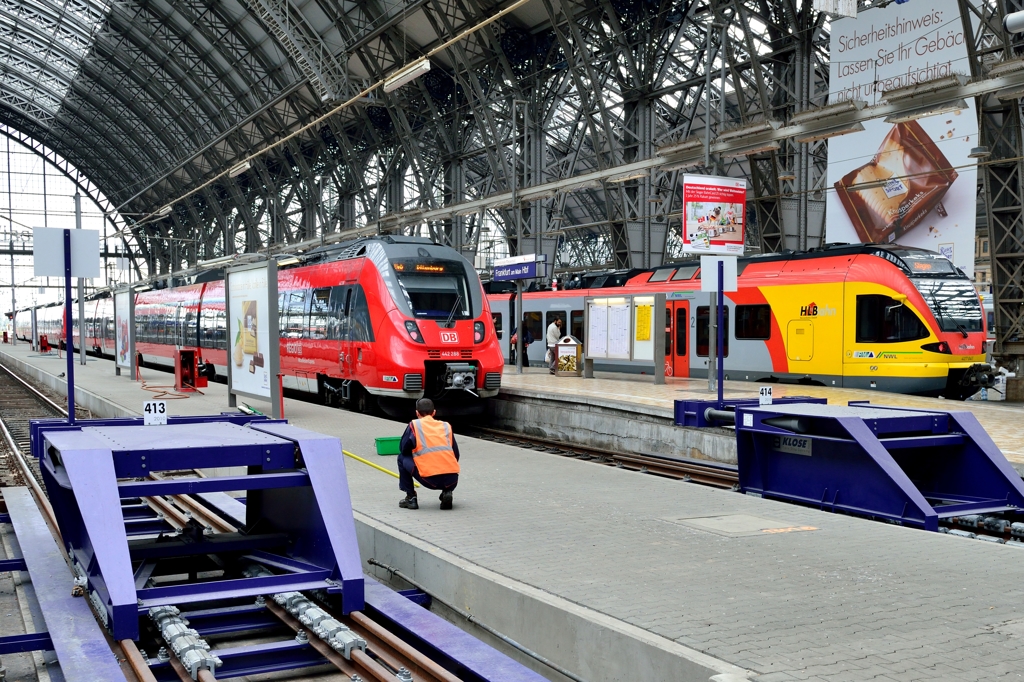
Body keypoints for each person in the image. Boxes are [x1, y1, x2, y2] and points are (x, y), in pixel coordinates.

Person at [397, 398, 460, 510]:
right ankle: (447, 491)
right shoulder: (446, 426)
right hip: (452, 480)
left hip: (430, 481)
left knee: (402, 458)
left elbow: (403, 449)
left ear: (417, 413)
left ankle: (411, 498)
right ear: (434, 412)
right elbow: (456, 454)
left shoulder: (414, 425)